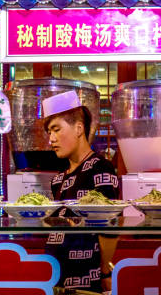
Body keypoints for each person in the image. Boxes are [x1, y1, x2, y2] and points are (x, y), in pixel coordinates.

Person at [42, 91, 119, 293]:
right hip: (55, 277)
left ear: (78, 128)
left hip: (87, 280)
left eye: (56, 130)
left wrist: (104, 272)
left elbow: (109, 227)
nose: (51, 139)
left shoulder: (100, 168)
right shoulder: (58, 178)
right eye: (49, 132)